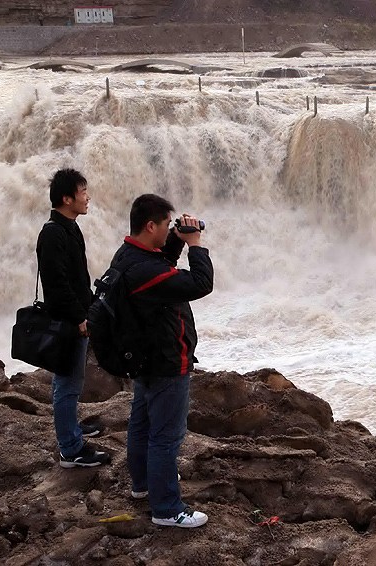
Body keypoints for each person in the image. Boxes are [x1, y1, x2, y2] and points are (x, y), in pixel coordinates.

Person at [111, 194, 212, 528]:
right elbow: (200, 283)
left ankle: (142, 485)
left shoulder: (128, 256)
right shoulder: (145, 270)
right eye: (166, 224)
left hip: (145, 357)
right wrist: (195, 244)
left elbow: (162, 266)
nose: (171, 228)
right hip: (167, 361)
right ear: (150, 226)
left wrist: (175, 241)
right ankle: (167, 508)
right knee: (166, 437)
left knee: (141, 425)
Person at [36, 168, 111, 468]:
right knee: (67, 384)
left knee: (69, 381)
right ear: (66, 199)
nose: (87, 197)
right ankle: (71, 449)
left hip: (77, 317)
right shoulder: (53, 233)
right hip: (68, 323)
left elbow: (78, 278)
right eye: (82, 192)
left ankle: (72, 430)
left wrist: (92, 308)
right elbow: (57, 284)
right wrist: (79, 317)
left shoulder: (69, 228)